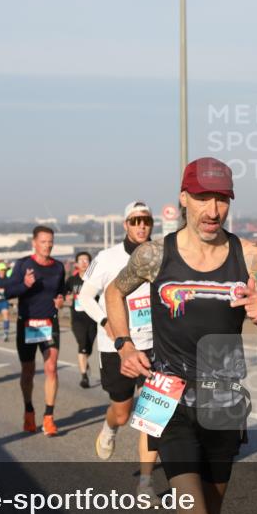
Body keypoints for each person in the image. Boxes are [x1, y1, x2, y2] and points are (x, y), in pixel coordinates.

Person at [104, 157, 257, 514]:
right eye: (204, 198)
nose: (213, 210)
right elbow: (113, 293)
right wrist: (125, 344)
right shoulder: (154, 254)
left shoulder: (250, 257)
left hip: (224, 406)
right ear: (183, 198)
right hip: (170, 404)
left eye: (222, 200)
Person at [79, 202, 158, 498]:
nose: (141, 226)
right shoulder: (107, 258)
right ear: (126, 224)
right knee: (123, 414)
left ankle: (145, 484)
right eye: (135, 221)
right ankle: (110, 427)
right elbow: (85, 296)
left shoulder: (161, 255)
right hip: (117, 346)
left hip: (154, 344)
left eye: (146, 221)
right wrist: (105, 320)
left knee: (152, 414)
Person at [4, 226, 66, 436]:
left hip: (49, 322)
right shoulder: (23, 264)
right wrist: (25, 284)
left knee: (51, 368)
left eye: (50, 241)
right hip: (27, 324)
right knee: (28, 371)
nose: (48, 245)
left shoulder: (58, 267)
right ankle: (29, 410)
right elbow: (8, 292)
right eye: (43, 241)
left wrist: (60, 300)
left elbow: (60, 292)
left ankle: (49, 417)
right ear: (34, 243)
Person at [65, 252, 97, 388]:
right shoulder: (71, 281)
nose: (84, 262)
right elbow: (64, 294)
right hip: (77, 319)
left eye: (86, 260)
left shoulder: (95, 280)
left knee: (88, 348)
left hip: (93, 319)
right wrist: (67, 298)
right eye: (81, 260)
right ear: (76, 264)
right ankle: (84, 376)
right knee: (82, 345)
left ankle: (84, 361)